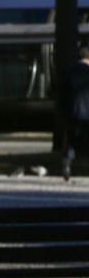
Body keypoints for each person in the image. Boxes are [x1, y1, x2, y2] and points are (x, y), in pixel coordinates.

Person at [62, 46, 89, 180]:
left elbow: (64, 95)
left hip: (73, 113)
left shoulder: (69, 72)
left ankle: (67, 163)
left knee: (72, 140)